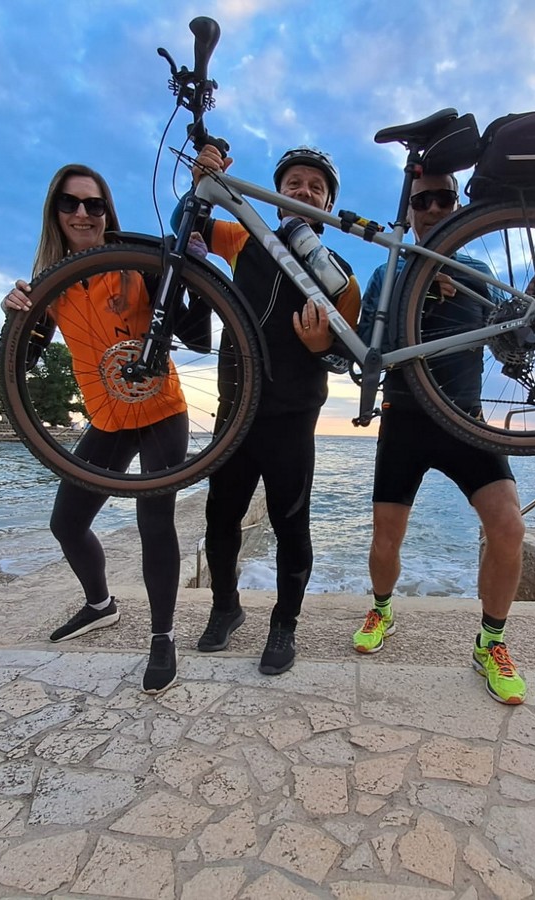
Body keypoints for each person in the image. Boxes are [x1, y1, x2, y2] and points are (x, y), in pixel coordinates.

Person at [3, 163, 198, 696]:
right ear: (55, 212)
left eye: (94, 204)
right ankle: (100, 605)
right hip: (107, 417)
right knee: (66, 523)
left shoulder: (133, 262)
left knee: (154, 522)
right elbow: (25, 357)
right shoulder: (51, 282)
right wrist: (14, 312)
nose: (83, 214)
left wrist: (186, 273)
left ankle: (163, 637)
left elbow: (194, 331)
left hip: (161, 409)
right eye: (70, 203)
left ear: (108, 210)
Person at [174, 144, 362, 675]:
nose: (305, 191)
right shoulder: (243, 239)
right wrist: (203, 179)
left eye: (316, 187)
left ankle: (285, 625)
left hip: (293, 417)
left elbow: (348, 355)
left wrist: (321, 346)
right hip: (235, 411)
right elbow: (188, 222)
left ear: (328, 204)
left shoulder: (341, 274)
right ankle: (225, 608)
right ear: (277, 194)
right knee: (220, 518)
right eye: (294, 183)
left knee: (290, 524)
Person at [352, 171, 528, 704]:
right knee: (386, 538)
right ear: (408, 211)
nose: (432, 208)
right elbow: (365, 347)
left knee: (509, 528)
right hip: (403, 418)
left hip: (465, 420)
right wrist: (420, 296)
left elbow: (506, 347)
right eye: (421, 199)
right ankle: (382, 610)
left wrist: (523, 328)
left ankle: (490, 643)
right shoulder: (387, 273)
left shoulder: (480, 274)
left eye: (443, 198)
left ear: (458, 205)